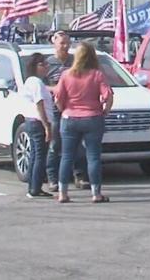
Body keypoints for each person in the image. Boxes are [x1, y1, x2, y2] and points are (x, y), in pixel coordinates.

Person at [53, 42, 113, 203]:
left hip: (70, 117)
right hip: (93, 117)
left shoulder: (66, 75)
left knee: (67, 156)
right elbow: (108, 95)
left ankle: (63, 193)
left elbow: (58, 98)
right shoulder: (97, 74)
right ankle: (96, 193)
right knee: (93, 156)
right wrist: (105, 110)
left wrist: (64, 109)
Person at [45, 31, 89, 192]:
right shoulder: (48, 63)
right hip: (56, 108)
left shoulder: (75, 62)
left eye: (67, 43)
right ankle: (52, 178)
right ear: (54, 43)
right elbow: (41, 86)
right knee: (55, 144)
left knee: (78, 144)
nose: (65, 46)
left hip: (74, 108)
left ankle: (80, 175)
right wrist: (56, 89)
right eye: (62, 43)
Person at [22, 53, 53, 198]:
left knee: (35, 155)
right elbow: (39, 104)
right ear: (34, 67)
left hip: (32, 121)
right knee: (40, 156)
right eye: (42, 64)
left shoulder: (31, 82)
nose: (46, 67)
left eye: (46, 64)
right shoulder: (36, 83)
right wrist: (46, 125)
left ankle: (33, 186)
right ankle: (35, 187)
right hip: (37, 122)